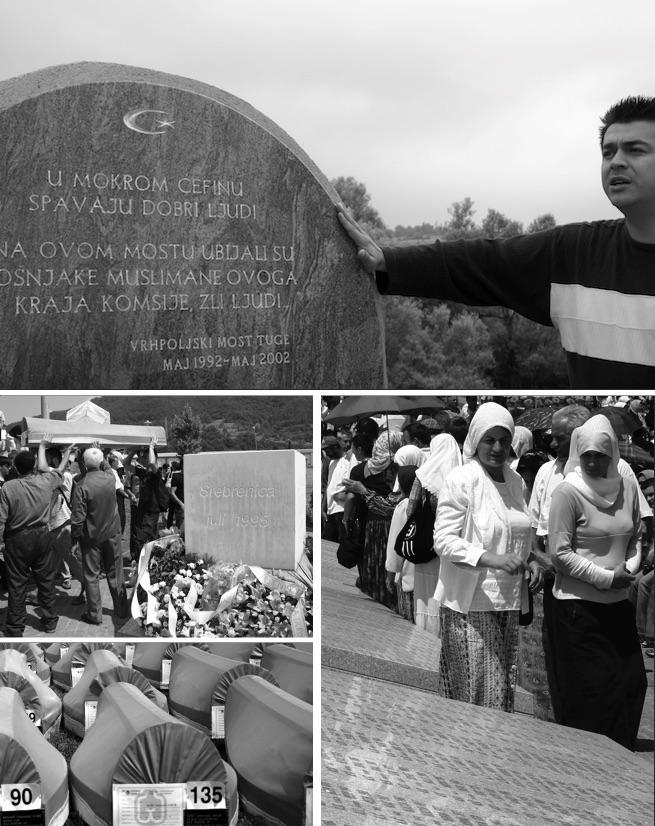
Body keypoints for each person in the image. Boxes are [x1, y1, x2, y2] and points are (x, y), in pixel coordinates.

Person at [337, 96, 655, 388]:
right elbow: (482, 262)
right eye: (608, 152)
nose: (616, 161)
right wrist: (387, 260)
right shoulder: (574, 255)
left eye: (635, 149)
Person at [433, 402, 544, 712]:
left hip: (507, 600)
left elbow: (515, 530)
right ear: (476, 439)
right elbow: (443, 540)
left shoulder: (515, 480)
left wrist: (531, 557)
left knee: (500, 689)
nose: (497, 448)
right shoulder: (461, 479)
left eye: (504, 440)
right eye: (489, 439)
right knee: (476, 691)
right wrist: (491, 559)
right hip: (471, 602)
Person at [547, 415, 647, 750]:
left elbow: (635, 535)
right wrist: (606, 578)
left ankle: (620, 756)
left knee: (632, 683)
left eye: (600, 455)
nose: (592, 461)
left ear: (612, 455)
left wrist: (627, 571)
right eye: (586, 454)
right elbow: (559, 554)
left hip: (618, 605)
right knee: (594, 692)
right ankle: (591, 764)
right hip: (579, 610)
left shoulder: (626, 485)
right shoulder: (567, 493)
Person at [0, 439, 71, 636]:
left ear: (15, 467)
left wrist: (0, 542)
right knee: (46, 580)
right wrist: (67, 453)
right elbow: (60, 470)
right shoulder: (46, 481)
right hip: (42, 535)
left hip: (17, 539)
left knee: (17, 584)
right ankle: (50, 622)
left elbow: (1, 519)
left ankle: (15, 627)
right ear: (34, 467)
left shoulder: (8, 487)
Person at [406, 432, 463, 634]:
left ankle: (426, 632)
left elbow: (410, 511)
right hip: (452, 547)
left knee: (426, 592)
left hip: (426, 545)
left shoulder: (423, 475)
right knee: (446, 590)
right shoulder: (462, 475)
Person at [343, 430, 404, 609]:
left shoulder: (359, 470)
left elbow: (351, 499)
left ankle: (373, 598)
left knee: (370, 560)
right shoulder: (398, 467)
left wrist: (346, 520)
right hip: (394, 525)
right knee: (389, 562)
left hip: (370, 524)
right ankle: (392, 600)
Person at [70, 447, 129, 626]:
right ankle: (122, 610)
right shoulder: (110, 478)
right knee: (116, 573)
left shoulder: (81, 485)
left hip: (91, 538)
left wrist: (74, 541)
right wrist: (100, 450)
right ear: (102, 461)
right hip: (112, 534)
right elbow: (106, 466)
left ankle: (95, 615)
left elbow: (78, 519)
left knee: (92, 576)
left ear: (85, 465)